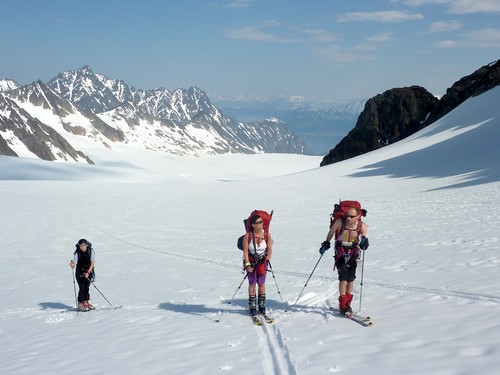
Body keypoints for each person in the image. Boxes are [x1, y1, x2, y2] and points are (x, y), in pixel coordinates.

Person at [320, 206, 369, 316]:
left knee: (351, 278)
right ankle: (343, 304)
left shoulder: (362, 225)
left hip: (353, 252)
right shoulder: (340, 222)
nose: (349, 218)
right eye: (348, 216)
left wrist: (365, 240)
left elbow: (365, 235)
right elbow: (331, 232)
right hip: (340, 251)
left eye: (352, 216)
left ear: (358, 216)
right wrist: (326, 243)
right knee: (343, 277)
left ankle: (347, 302)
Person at [243, 215, 272, 317]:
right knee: (252, 283)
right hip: (251, 262)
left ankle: (262, 306)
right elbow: (245, 251)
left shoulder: (267, 235)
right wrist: (247, 264)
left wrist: (268, 257)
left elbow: (269, 249)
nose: (261, 224)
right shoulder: (248, 236)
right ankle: (252, 306)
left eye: (262, 222)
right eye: (259, 222)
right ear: (253, 225)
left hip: (262, 262)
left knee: (261, 283)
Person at [70, 239, 95, 311]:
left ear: (86, 245)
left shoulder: (91, 252)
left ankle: (86, 301)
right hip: (80, 273)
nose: (82, 247)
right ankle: (81, 303)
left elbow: (92, 263)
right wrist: (72, 265)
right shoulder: (77, 253)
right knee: (82, 287)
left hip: (88, 271)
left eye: (84, 245)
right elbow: (74, 263)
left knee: (87, 287)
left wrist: (88, 272)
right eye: (81, 246)